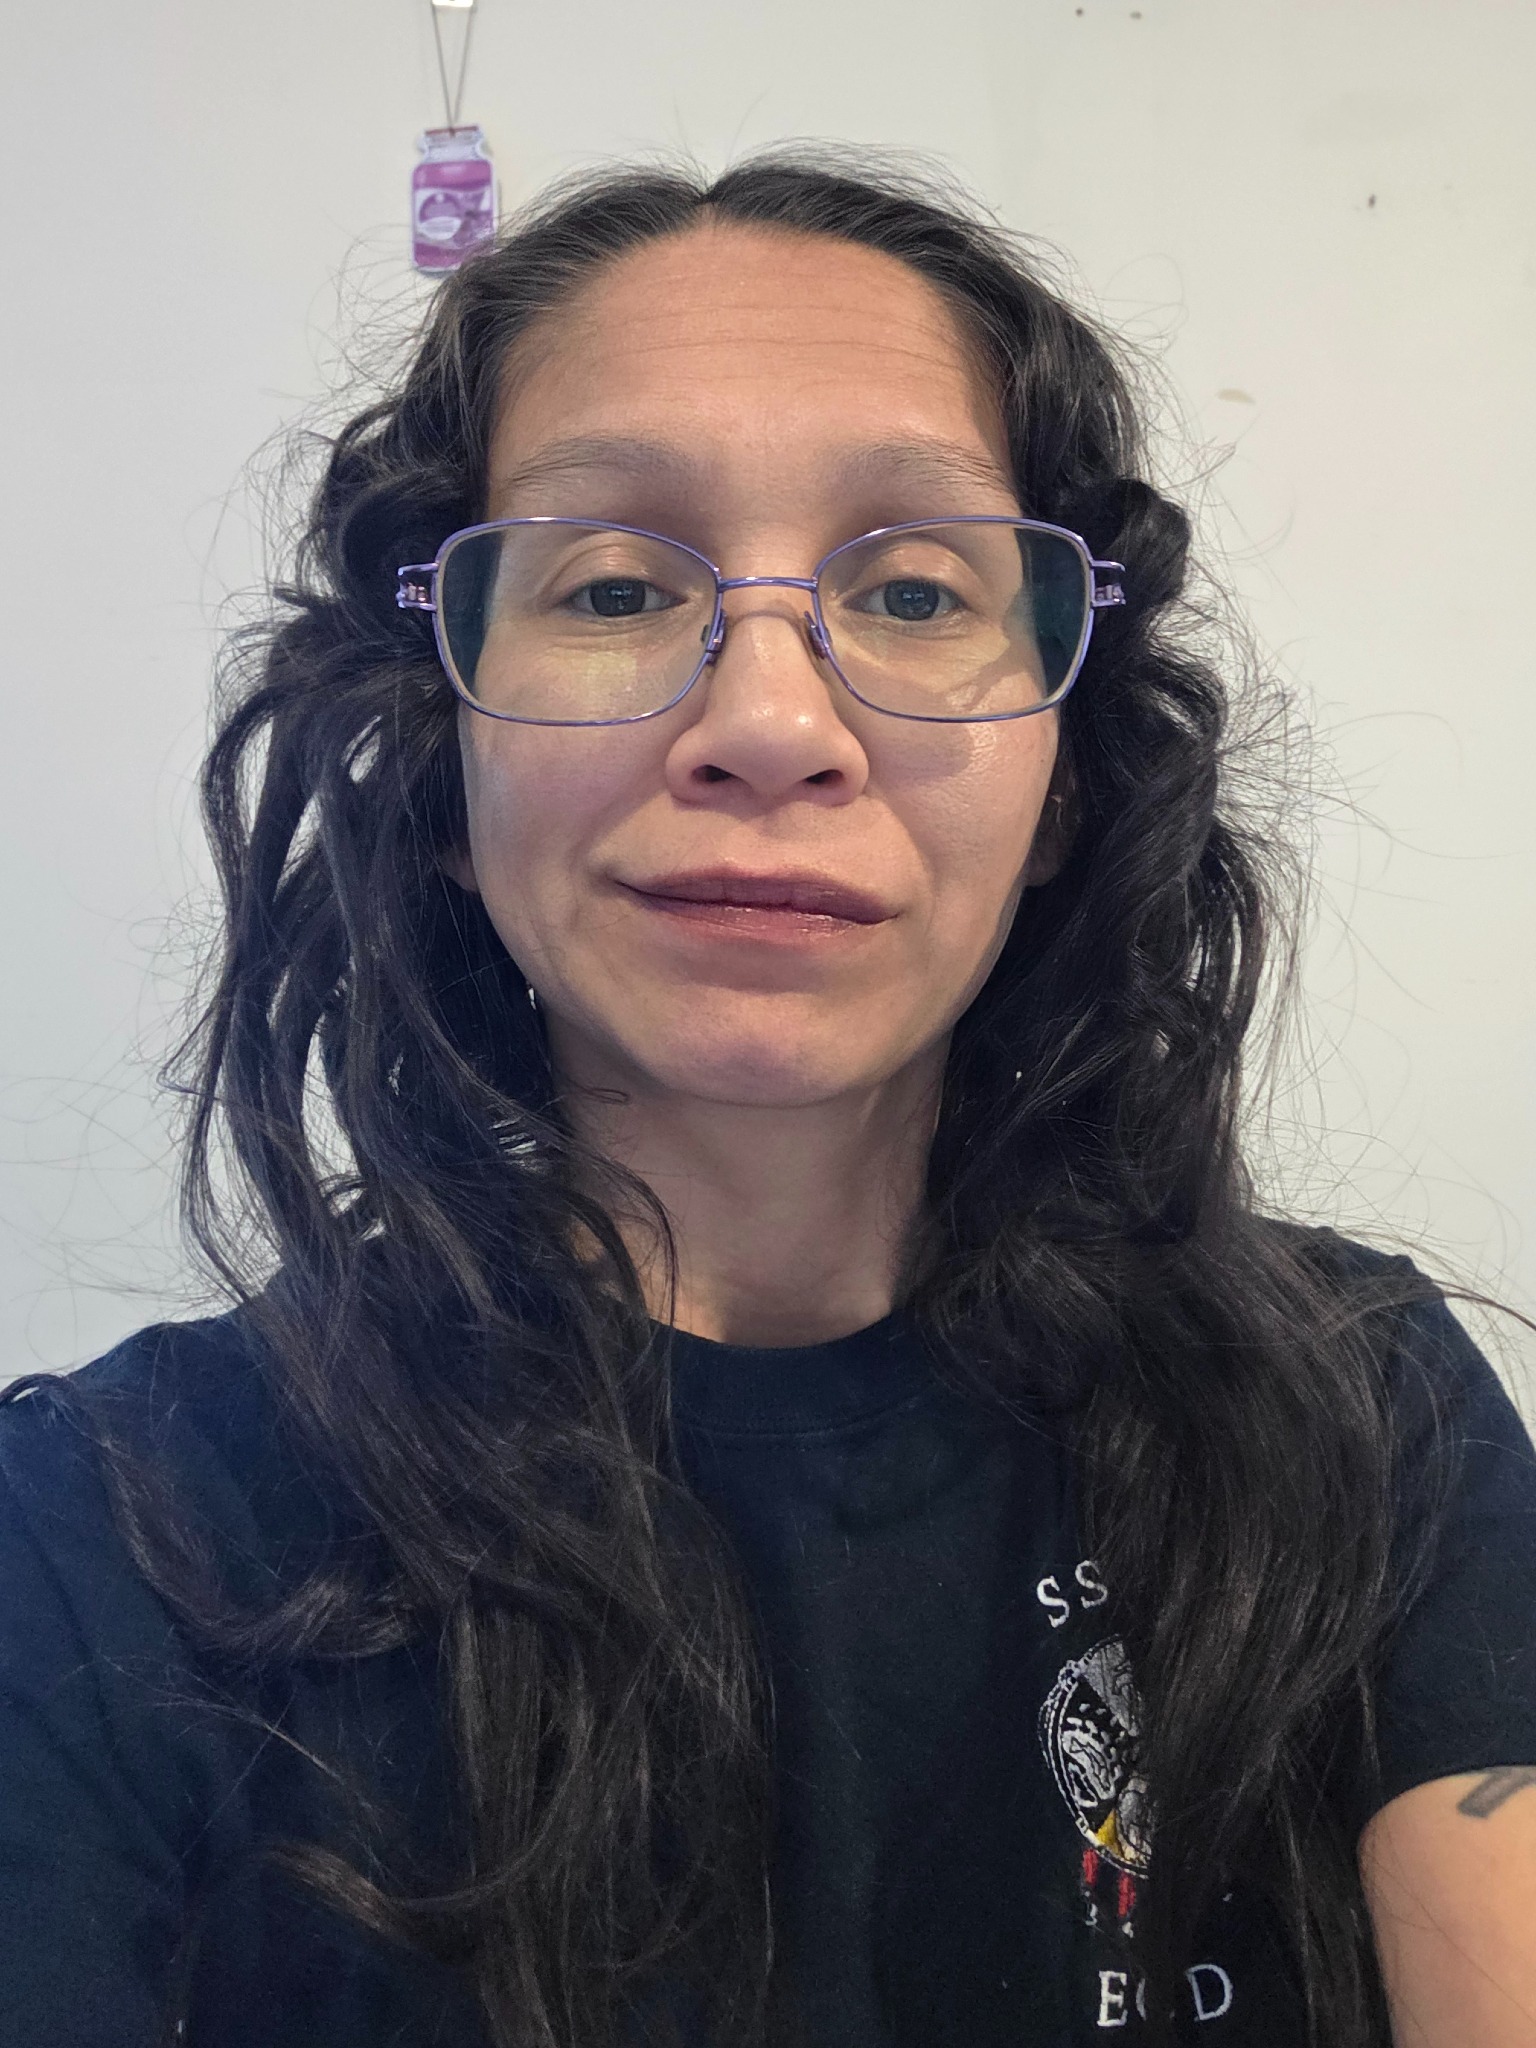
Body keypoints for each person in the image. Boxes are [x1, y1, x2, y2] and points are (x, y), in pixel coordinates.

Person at [1, 151, 1533, 2048]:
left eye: (916, 591)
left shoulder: (1359, 1407)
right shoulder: (105, 1535)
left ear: (1064, 781)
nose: (773, 724)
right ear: (443, 770)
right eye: (614, 586)